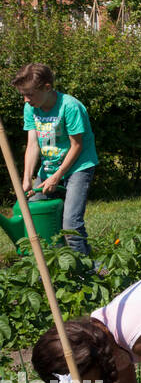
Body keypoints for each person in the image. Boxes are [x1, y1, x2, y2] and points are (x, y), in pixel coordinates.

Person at [12, 63, 99, 256]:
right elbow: (33, 144)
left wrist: (58, 176)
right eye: (23, 95)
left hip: (78, 167)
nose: (26, 100)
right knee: (33, 213)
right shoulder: (31, 108)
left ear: (47, 87)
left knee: (71, 224)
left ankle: (86, 272)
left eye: (30, 94)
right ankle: (59, 264)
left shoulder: (70, 107)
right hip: (50, 167)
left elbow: (77, 146)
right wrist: (27, 179)